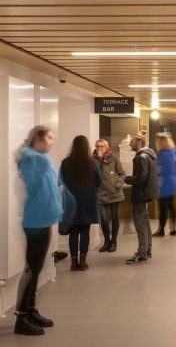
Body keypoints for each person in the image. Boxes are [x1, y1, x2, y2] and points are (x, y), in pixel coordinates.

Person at [14, 126, 63, 336]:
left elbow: (52, 186)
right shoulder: (34, 159)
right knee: (32, 270)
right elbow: (36, 187)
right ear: (38, 138)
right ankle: (21, 317)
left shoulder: (38, 158)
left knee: (36, 268)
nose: (52, 141)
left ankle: (31, 310)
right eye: (49, 137)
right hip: (36, 220)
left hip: (44, 219)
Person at [60, 135, 102, 271]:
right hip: (87, 201)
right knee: (85, 231)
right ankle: (83, 261)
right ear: (87, 147)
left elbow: (60, 181)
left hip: (71, 201)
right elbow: (99, 182)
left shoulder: (66, 162)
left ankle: (73, 262)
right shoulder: (93, 162)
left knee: (73, 231)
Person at [124, 133, 158, 264]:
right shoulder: (149, 155)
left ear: (139, 142)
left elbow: (141, 178)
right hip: (147, 195)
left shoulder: (141, 158)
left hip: (141, 195)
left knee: (140, 225)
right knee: (145, 223)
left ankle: (142, 253)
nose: (130, 144)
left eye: (132, 142)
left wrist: (127, 179)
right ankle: (147, 249)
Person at [94, 139, 126, 253]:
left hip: (114, 192)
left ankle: (114, 241)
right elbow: (93, 174)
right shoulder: (93, 160)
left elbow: (122, 174)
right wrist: (98, 159)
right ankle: (107, 241)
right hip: (100, 193)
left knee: (114, 217)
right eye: (97, 146)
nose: (99, 148)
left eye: (102, 146)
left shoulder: (114, 158)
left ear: (107, 148)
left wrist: (118, 183)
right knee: (103, 219)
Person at [154, 132, 176, 237]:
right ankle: (173, 229)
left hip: (162, 183)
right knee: (171, 206)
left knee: (162, 208)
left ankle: (161, 230)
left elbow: (156, 169)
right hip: (173, 181)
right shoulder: (175, 152)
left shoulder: (160, 154)